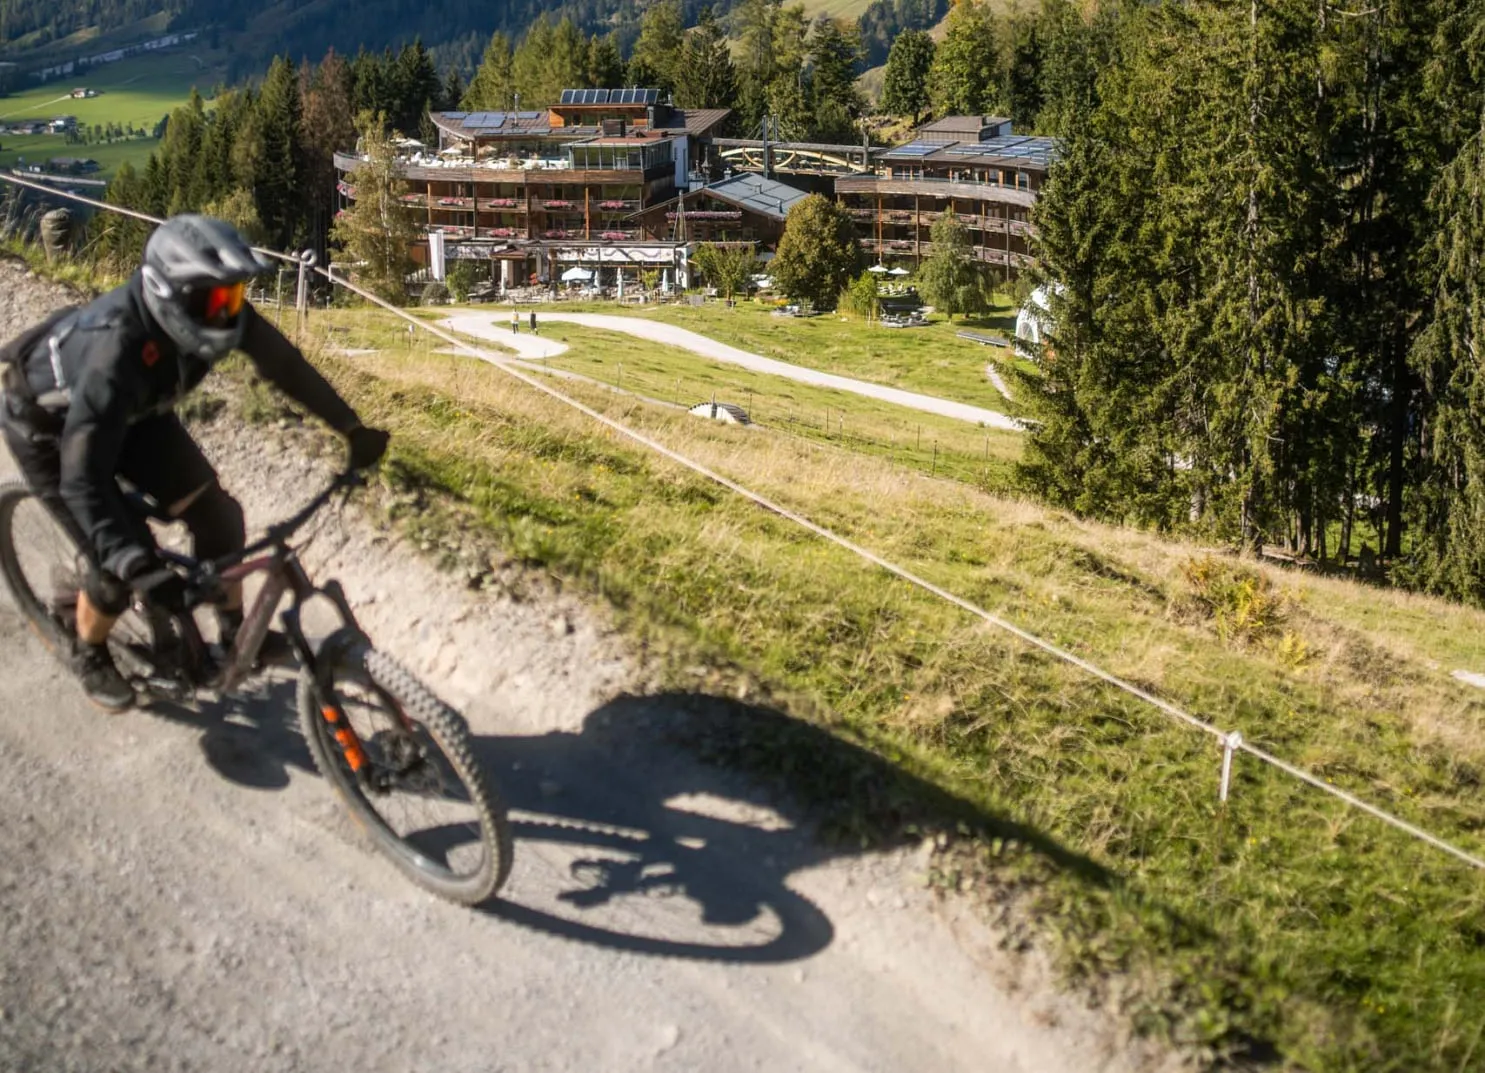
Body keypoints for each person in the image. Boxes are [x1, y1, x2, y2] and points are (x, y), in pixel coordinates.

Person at [0, 214, 389, 711]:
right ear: (171, 296)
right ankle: (88, 652)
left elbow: (284, 366)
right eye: (217, 299)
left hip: (134, 414)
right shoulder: (115, 354)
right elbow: (82, 480)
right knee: (114, 569)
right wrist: (134, 562)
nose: (230, 310)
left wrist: (350, 428)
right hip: (50, 434)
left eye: (235, 295)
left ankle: (233, 638)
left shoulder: (217, 313)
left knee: (220, 519)